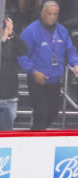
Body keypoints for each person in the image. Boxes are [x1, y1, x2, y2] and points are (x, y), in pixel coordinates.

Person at [18, 0, 78, 130]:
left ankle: (35, 133)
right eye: (49, 14)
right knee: (41, 114)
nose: (52, 17)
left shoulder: (62, 31)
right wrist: (33, 71)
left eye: (55, 14)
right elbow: (21, 54)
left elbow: (70, 50)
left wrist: (75, 64)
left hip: (55, 81)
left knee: (53, 112)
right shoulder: (31, 31)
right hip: (37, 81)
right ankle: (35, 138)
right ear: (42, 13)